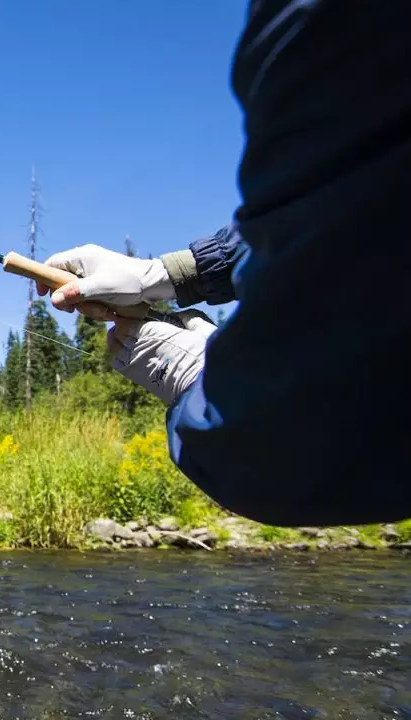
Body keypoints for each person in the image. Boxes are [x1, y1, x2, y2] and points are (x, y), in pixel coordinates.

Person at [38, 0, 411, 528]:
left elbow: (281, 447)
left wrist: (197, 377)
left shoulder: (320, 25)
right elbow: (345, 204)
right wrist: (169, 273)